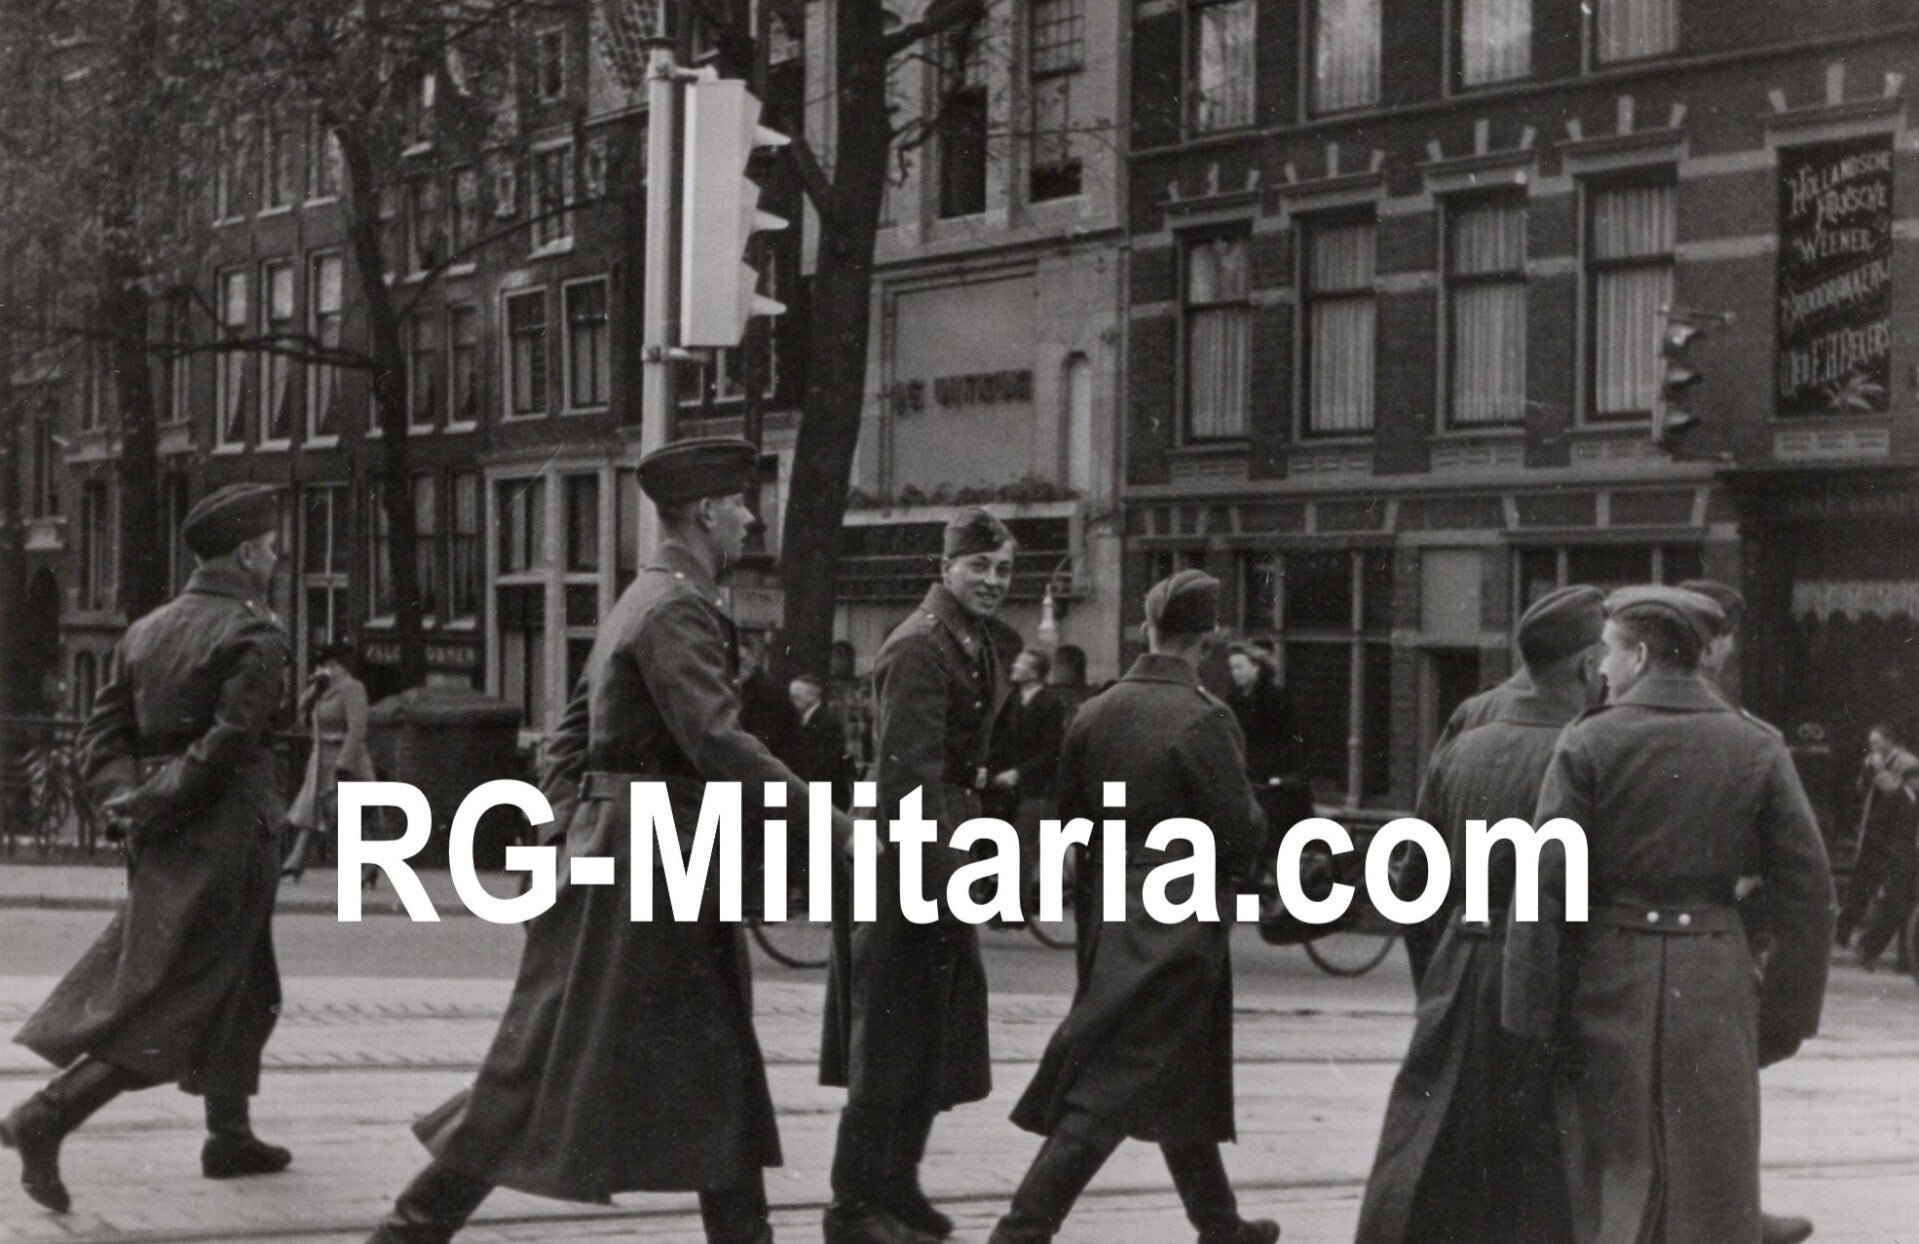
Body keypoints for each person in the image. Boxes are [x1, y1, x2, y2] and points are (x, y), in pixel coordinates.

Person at [363, 438, 853, 1244]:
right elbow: (718, 742)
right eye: (740, 505)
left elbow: (569, 738)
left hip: (630, 855)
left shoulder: (640, 598)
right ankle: (409, 1229)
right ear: (705, 512)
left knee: (636, 1057)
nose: (750, 519)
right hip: (657, 864)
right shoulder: (680, 609)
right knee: (636, 1058)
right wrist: (833, 828)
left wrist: (574, 834)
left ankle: (413, 1226)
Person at [1503, 586, 1834, 1244]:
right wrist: (1785, 1019)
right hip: (1713, 979)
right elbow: (1808, 892)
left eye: (1610, 651)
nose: (1600, 668)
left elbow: (1542, 885)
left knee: (1615, 1177)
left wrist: (1532, 1014)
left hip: (1609, 976)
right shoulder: (1756, 745)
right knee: (1711, 1183)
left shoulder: (1588, 742)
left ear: (1642, 655)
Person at [2, 484, 294, 1213]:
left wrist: (128, 804)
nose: (277, 556)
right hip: (226, 834)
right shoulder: (255, 634)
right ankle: (47, 1116)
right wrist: (162, 802)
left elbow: (103, 739)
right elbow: (229, 742)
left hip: (164, 836)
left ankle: (230, 1134)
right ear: (247, 554)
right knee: (182, 996)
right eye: (272, 546)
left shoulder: (146, 630)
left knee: (244, 982)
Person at [991, 570, 1277, 1244]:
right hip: (1177, 921)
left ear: (1148, 629)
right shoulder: (1205, 717)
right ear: (1204, 641)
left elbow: (1072, 820)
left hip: (1110, 914)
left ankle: (1219, 1225)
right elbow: (1240, 831)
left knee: (1173, 1071)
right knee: (1113, 1083)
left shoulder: (1094, 711)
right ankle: (1019, 1232)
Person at [1353, 585, 1604, 1244]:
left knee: (1428, 1152)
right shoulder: (1586, 753)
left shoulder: (1466, 739)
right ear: (1584, 667)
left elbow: (1414, 884)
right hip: (1546, 974)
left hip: (1460, 964)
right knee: (1539, 1171)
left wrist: (1437, 977)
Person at [819, 507, 1016, 1244]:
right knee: (888, 1041)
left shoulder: (970, 644)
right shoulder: (920, 647)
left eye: (1001, 570)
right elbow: (906, 781)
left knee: (931, 1039)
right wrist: (939, 880)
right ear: (946, 567)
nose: (992, 582)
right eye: (979, 566)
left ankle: (897, 1188)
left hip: (942, 854)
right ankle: (851, 1207)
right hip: (907, 864)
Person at [1647, 579, 1819, 1244]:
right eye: (1723, 637)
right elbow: (1800, 874)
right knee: (1712, 1084)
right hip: (1711, 920)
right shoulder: (1740, 732)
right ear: (1710, 643)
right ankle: (1723, 1213)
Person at [282, 641, 376, 883]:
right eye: (323, 665)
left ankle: (298, 859)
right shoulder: (322, 690)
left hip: (344, 759)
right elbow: (301, 710)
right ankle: (298, 859)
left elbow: (357, 729)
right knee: (314, 809)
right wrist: (314, 689)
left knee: (344, 812)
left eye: (329, 664)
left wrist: (344, 762)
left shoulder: (352, 689)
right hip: (320, 757)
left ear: (340, 666)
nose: (326, 669)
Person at [987, 647, 1068, 919]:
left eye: (1022, 664)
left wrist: (1019, 773)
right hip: (1005, 786)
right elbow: (999, 741)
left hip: (1036, 787)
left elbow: (1051, 750)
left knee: (1022, 846)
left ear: (1034, 672)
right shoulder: (1012, 700)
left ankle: (1014, 908)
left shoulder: (1050, 703)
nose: (1015, 667)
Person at [1838, 725, 1919, 969]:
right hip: (1879, 836)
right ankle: (1853, 939)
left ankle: (1892, 954)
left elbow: (1899, 794)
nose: (1873, 748)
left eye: (1877, 742)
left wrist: (1879, 769)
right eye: (1871, 743)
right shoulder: (1874, 762)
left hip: (1900, 839)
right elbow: (1863, 789)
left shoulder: (1908, 764)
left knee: (1899, 898)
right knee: (1868, 889)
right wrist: (1868, 770)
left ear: (1890, 741)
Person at [1223, 644, 1311, 841]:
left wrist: (1281, 775)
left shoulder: (1276, 699)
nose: (1235, 673)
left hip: (1272, 780)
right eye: (1232, 668)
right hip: (1247, 778)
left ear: (1256, 667)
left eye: (1240, 667)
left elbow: (1294, 739)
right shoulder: (1232, 701)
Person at [783, 672, 856, 810]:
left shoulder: (827, 723)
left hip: (824, 795)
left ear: (813, 696)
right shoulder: (801, 721)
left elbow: (825, 764)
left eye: (797, 695)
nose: (792, 701)